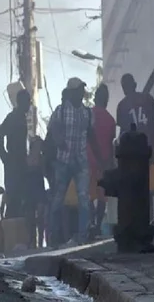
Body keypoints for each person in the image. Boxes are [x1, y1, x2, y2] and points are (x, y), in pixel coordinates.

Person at [47, 77, 107, 246]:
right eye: (78, 90)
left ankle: (82, 235)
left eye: (82, 90)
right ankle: (54, 236)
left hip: (81, 162)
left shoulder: (87, 113)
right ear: (71, 92)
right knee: (58, 199)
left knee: (84, 198)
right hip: (63, 161)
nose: (81, 93)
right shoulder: (60, 111)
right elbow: (53, 129)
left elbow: (92, 136)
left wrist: (100, 158)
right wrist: (59, 140)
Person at [0, 88, 32, 219]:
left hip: (20, 163)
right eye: (28, 102)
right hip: (14, 164)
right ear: (21, 102)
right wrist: (4, 156)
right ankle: (11, 228)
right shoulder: (13, 117)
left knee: (22, 199)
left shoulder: (21, 117)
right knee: (14, 199)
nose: (29, 105)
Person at [89, 83, 116, 234]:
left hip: (86, 160)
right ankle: (97, 225)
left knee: (87, 195)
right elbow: (110, 144)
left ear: (95, 98)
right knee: (101, 196)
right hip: (103, 162)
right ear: (106, 100)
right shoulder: (111, 120)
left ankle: (89, 224)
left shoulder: (88, 114)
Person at [116, 73, 154, 151]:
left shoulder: (122, 106)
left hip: (133, 149)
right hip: (149, 144)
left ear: (123, 88)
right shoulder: (148, 98)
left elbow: (123, 131)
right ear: (135, 85)